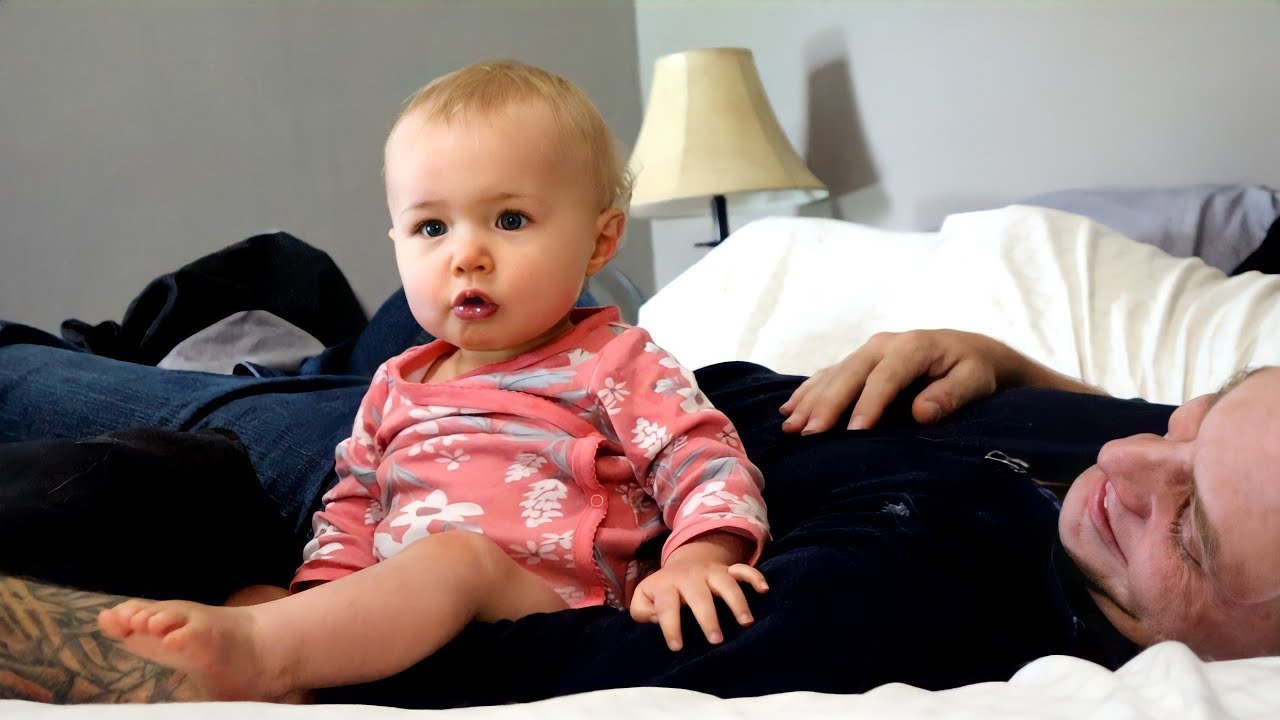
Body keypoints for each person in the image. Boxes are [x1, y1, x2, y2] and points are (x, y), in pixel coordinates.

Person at [83, 59, 770, 702]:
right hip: (409, 610)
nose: (466, 255)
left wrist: (696, 557)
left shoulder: (614, 360)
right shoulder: (395, 383)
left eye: (510, 220)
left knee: (455, 562)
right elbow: (353, 509)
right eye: (432, 227)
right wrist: (319, 595)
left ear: (599, 240)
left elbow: (703, 460)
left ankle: (264, 656)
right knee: (259, 596)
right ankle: (292, 656)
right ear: (397, 243)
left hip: (551, 609)